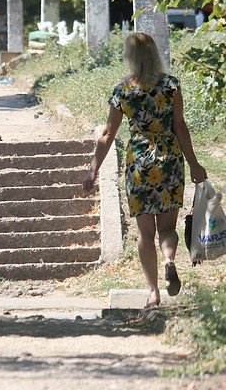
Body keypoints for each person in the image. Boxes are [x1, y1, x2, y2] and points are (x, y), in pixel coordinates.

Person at [84, 32, 207, 308]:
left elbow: (107, 134)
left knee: (145, 233)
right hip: (169, 160)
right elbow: (180, 127)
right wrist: (195, 164)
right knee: (167, 228)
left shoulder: (123, 91)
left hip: (140, 164)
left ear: (130, 57)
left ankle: (153, 292)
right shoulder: (171, 86)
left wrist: (93, 170)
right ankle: (169, 260)